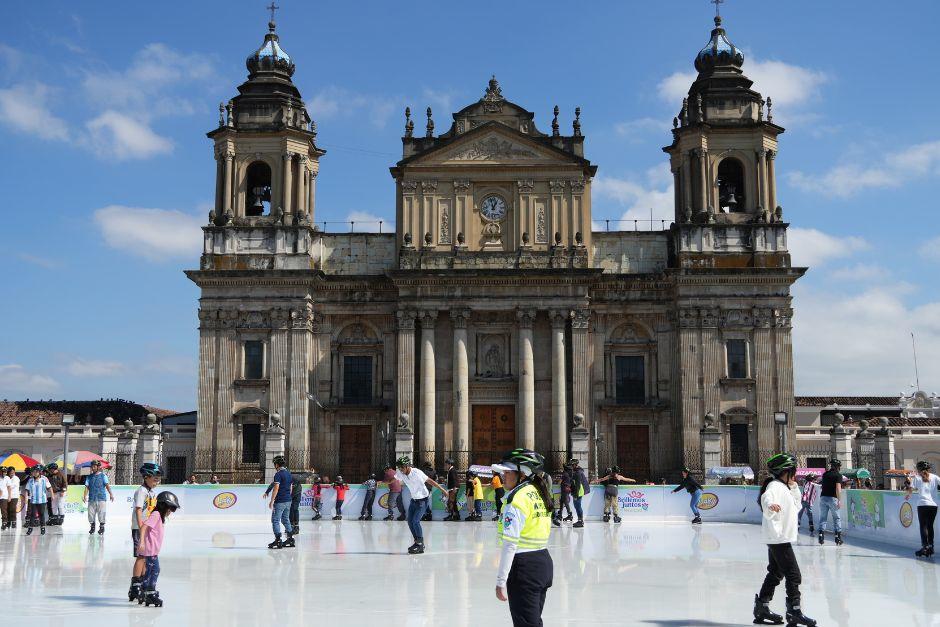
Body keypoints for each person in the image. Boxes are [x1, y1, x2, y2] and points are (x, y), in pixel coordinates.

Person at [492, 448, 554, 627]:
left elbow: (510, 544)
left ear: (521, 474)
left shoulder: (517, 500)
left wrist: (500, 581)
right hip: (542, 564)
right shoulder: (537, 492)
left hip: (524, 568)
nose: (503, 476)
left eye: (507, 472)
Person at [753, 453, 816, 626]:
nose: (795, 475)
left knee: (776, 572)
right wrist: (769, 506)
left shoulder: (784, 487)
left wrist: (794, 487)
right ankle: (794, 611)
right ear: (785, 471)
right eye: (793, 472)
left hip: (777, 537)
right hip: (778, 537)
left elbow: (796, 506)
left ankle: (762, 607)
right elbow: (767, 498)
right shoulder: (774, 486)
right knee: (793, 575)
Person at [394, 456, 447, 554]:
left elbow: (430, 481)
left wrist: (443, 490)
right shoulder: (401, 473)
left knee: (415, 521)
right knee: (410, 521)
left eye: (402, 467)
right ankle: (417, 542)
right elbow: (394, 478)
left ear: (407, 466)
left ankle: (420, 543)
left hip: (423, 500)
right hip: (413, 500)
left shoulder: (417, 472)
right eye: (399, 468)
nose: (400, 470)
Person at [136, 491, 180, 607]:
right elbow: (144, 527)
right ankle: (150, 593)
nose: (171, 512)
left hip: (151, 550)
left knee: (150, 570)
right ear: (163, 506)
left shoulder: (158, 516)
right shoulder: (156, 515)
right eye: (171, 509)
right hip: (150, 550)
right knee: (155, 570)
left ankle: (144, 591)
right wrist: (141, 542)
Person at [128, 462, 162, 602]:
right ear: (146, 477)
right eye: (155, 479)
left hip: (147, 528)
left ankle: (142, 583)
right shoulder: (141, 491)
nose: (157, 482)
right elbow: (138, 509)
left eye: (158, 479)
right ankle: (135, 586)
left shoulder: (152, 492)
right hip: (139, 527)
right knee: (141, 556)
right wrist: (141, 526)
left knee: (146, 556)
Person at [906, 461, 940, 558]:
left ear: (918, 469)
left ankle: (925, 546)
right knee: (930, 526)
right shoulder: (935, 477)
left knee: (923, 526)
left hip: (922, 505)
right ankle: (931, 546)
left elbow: (910, 490)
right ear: (928, 469)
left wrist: (908, 493)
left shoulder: (917, 478)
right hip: (933, 505)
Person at [267, 455, 295, 549]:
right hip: (288, 500)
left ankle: (278, 540)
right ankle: (290, 539)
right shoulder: (288, 474)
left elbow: (276, 488)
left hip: (280, 501)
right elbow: (291, 487)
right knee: (285, 519)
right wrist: (288, 497)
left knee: (275, 520)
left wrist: (271, 501)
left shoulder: (278, 474)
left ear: (277, 464)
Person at [83, 459, 114, 534]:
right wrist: (84, 496)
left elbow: (107, 486)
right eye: (92, 467)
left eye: (94, 466)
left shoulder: (103, 476)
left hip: (101, 497)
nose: (93, 468)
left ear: (98, 467)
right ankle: (92, 526)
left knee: (101, 513)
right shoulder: (89, 477)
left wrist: (111, 494)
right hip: (92, 498)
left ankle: (102, 527)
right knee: (91, 513)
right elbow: (86, 487)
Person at [818, 458, 843, 546]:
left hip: (823, 497)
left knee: (823, 517)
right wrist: (839, 500)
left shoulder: (825, 474)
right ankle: (838, 537)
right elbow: (838, 488)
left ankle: (821, 535)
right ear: (838, 467)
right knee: (836, 518)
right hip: (833, 498)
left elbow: (822, 485)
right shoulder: (838, 475)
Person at [25, 465, 52, 536]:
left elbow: (49, 487)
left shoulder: (44, 479)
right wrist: (26, 497)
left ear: (39, 472)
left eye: (35, 472)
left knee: (41, 514)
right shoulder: (30, 480)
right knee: (32, 514)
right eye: (33, 472)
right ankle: (30, 528)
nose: (34, 473)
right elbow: (27, 490)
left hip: (42, 500)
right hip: (33, 500)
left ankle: (42, 528)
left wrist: (52, 495)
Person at [570, 459, 589, 528]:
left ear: (575, 465)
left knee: (578, 506)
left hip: (578, 491)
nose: (571, 466)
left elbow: (577, 485)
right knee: (577, 506)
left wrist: (575, 494)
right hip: (578, 491)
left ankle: (580, 521)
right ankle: (580, 520)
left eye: (572, 465)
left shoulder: (577, 473)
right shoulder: (577, 471)